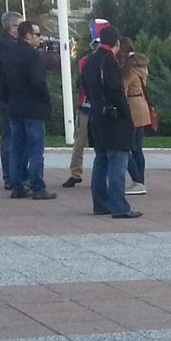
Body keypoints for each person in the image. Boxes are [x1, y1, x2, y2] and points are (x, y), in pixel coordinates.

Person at [81, 23, 140, 219]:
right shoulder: (109, 61)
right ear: (116, 42)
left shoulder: (90, 60)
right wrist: (126, 115)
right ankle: (119, 206)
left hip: (96, 115)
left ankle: (100, 203)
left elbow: (84, 85)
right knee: (117, 163)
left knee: (101, 161)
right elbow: (116, 91)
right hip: (113, 118)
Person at [3, 19, 54, 200]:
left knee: (16, 147)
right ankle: (37, 186)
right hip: (33, 108)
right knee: (35, 149)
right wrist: (46, 101)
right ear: (28, 36)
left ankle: (16, 185)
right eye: (37, 34)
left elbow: (2, 81)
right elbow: (38, 82)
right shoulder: (34, 56)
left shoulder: (9, 54)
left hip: (15, 106)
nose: (39, 38)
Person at [0, 10, 24, 193]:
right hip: (8, 97)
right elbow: (5, 73)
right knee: (10, 135)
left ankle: (14, 174)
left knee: (12, 134)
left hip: (7, 95)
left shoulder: (6, 43)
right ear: (13, 27)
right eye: (20, 25)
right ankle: (10, 176)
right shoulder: (5, 46)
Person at [64, 32, 99, 188]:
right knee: (80, 141)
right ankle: (75, 173)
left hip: (98, 106)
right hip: (86, 105)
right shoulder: (85, 60)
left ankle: (102, 172)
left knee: (101, 141)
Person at [121, 40, 154, 194]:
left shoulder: (128, 70)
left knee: (125, 146)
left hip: (132, 107)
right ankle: (140, 180)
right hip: (142, 106)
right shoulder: (142, 67)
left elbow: (122, 90)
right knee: (137, 148)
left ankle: (137, 180)